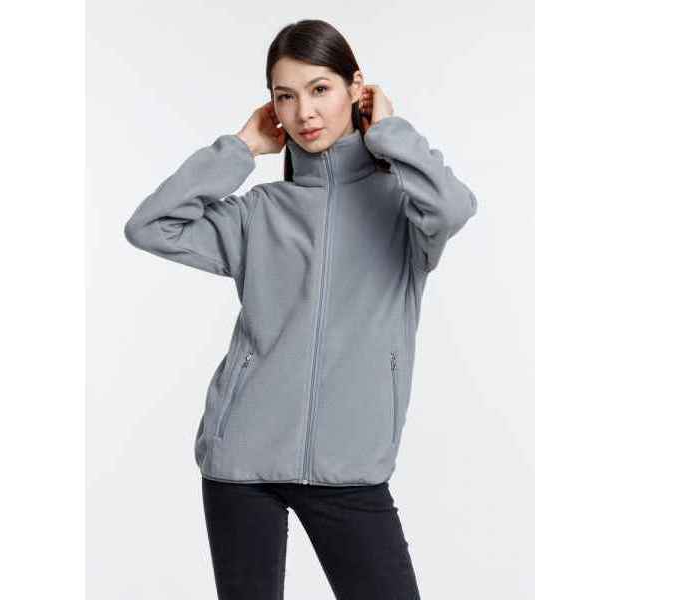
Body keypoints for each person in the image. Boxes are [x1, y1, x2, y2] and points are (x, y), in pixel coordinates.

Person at [124, 18, 477, 600]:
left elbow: (454, 207)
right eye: (285, 96)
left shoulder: (403, 209)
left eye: (320, 89)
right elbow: (150, 227)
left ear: (355, 88)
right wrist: (240, 149)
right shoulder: (259, 212)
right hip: (241, 463)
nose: (305, 112)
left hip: (351, 466)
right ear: (273, 108)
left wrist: (389, 132)